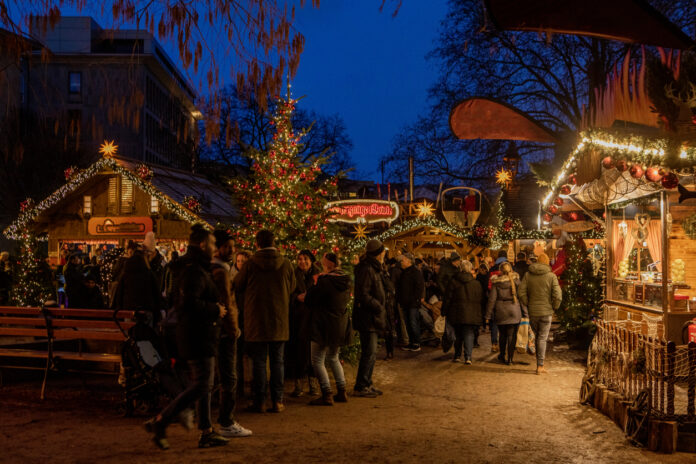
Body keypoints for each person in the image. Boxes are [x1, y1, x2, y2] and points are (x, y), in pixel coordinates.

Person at [145, 224, 229, 450]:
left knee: (203, 384)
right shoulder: (193, 270)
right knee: (202, 385)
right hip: (197, 335)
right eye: (212, 244)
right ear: (202, 245)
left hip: (197, 334)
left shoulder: (194, 267)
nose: (215, 248)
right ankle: (161, 421)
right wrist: (215, 310)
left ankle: (206, 431)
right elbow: (188, 303)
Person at [234, 229, 296, 413]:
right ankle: (277, 400)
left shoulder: (250, 264)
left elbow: (238, 284)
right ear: (274, 242)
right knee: (278, 361)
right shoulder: (285, 264)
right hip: (279, 320)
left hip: (256, 320)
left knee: (259, 362)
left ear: (257, 243)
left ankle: (259, 401)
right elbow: (292, 287)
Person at [210, 230, 251, 437]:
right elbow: (228, 302)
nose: (232, 250)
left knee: (214, 378)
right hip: (225, 332)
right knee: (229, 377)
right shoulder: (221, 272)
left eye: (233, 246)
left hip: (214, 329)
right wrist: (234, 329)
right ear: (218, 248)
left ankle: (207, 421)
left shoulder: (212, 268)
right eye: (228, 247)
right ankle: (226, 421)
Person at [305, 252, 352, 405]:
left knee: (317, 359)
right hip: (339, 324)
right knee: (333, 357)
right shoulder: (346, 280)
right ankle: (342, 390)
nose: (321, 264)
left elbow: (311, 299)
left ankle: (326, 393)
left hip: (322, 324)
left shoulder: (325, 281)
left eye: (323, 263)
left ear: (330, 265)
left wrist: (314, 284)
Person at [352, 239, 388, 398]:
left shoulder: (374, 268)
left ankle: (367, 382)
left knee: (371, 353)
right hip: (368, 317)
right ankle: (361, 385)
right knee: (369, 352)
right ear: (379, 253)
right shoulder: (367, 269)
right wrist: (378, 305)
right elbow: (363, 294)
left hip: (372, 316)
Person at [519, 252, 562, 375]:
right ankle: (540, 366)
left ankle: (539, 363)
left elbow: (521, 292)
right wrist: (554, 307)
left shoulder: (528, 275)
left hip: (533, 312)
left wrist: (528, 303)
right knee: (542, 338)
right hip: (547, 311)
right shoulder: (551, 276)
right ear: (547, 262)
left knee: (538, 337)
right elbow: (558, 295)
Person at [288, 249, 320, 397]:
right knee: (298, 351)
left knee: (313, 351)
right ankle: (298, 383)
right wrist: (296, 298)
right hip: (298, 318)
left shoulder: (318, 275)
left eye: (305, 259)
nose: (302, 262)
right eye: (300, 259)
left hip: (314, 317)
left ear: (311, 260)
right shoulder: (293, 274)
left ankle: (313, 382)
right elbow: (287, 292)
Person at [486, 262, 527, 365]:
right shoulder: (517, 281)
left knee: (503, 335)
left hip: (500, 311)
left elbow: (492, 300)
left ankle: (502, 355)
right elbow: (522, 298)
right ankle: (510, 358)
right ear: (511, 270)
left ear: (500, 271)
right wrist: (525, 313)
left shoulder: (496, 283)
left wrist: (488, 314)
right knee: (512, 336)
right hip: (514, 310)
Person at [442, 261, 482, 364]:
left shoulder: (453, 282)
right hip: (472, 313)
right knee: (469, 333)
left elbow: (447, 298)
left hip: (456, 312)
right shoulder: (476, 284)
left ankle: (457, 355)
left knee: (458, 334)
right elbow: (481, 299)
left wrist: (444, 311)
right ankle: (468, 357)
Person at [112, 246, 162, 326]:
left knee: (130, 333)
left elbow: (119, 293)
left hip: (129, 309)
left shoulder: (126, 274)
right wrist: (157, 310)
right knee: (146, 333)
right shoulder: (149, 273)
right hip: (146, 308)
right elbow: (156, 293)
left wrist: (120, 308)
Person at [396, 253, 425, 352]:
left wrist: (415, 299)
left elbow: (419, 287)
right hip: (405, 303)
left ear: (409, 261)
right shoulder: (404, 272)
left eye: (403, 260)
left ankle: (416, 343)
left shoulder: (415, 272)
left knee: (413, 322)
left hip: (412, 303)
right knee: (408, 323)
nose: (401, 262)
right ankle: (411, 342)